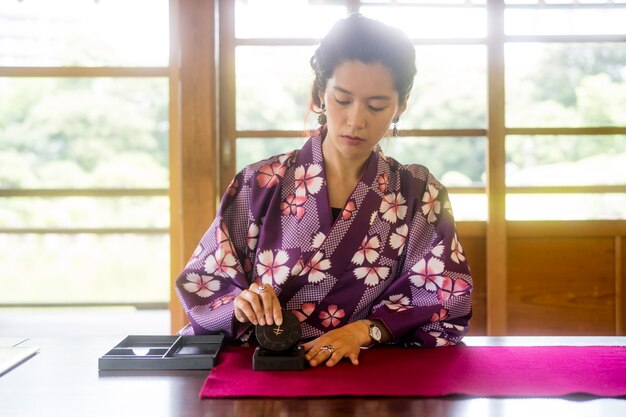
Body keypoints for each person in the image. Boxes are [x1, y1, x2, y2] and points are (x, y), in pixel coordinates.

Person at [174, 14, 473, 368]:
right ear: (319, 94)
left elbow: (446, 296)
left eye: (376, 106)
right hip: (265, 370)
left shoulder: (419, 193)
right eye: (343, 100)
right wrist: (241, 303)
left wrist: (366, 331)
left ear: (400, 106)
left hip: (364, 373)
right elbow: (205, 282)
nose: (355, 120)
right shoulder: (260, 183)